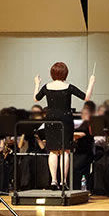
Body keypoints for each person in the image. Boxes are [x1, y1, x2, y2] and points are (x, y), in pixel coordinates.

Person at [34, 61, 95, 190]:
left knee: (53, 151)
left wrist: (37, 84)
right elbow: (86, 97)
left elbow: (36, 98)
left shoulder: (46, 87)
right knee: (65, 150)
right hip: (65, 120)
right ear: (65, 73)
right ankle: (63, 182)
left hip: (51, 120)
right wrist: (91, 83)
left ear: (52, 73)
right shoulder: (68, 87)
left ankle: (53, 181)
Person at [72, 104, 95, 190]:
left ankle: (82, 189)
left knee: (80, 170)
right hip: (79, 151)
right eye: (83, 113)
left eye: (85, 113)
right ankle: (76, 188)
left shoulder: (90, 124)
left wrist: (70, 134)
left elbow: (82, 134)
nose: (83, 115)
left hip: (86, 152)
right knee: (75, 169)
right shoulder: (82, 123)